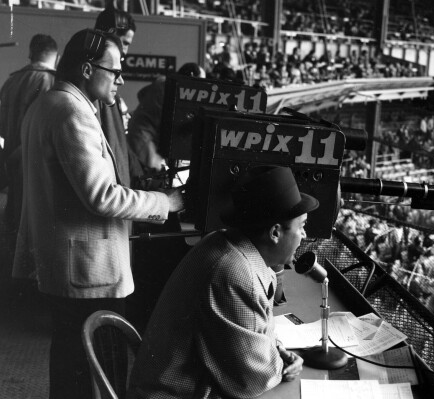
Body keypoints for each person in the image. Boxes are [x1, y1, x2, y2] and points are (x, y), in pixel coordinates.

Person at [12, 29, 184, 399]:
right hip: (89, 274)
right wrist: (165, 203)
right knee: (97, 374)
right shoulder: (72, 113)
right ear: (88, 69)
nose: (121, 79)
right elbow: (103, 196)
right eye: (115, 70)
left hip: (69, 266)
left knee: (69, 366)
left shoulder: (48, 104)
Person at [127, 165, 314, 398]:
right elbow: (251, 380)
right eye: (302, 226)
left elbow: (260, 331)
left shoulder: (233, 247)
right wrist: (278, 363)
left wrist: (278, 351)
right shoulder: (234, 272)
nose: (304, 236)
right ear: (275, 232)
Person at [0, 34, 58, 230]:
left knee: (13, 226)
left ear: (31, 53)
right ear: (55, 56)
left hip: (11, 165)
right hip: (35, 165)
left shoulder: (10, 82)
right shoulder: (50, 81)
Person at [94, 6, 137, 187]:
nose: (125, 51)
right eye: (125, 42)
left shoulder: (106, 93)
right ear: (111, 34)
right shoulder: (97, 93)